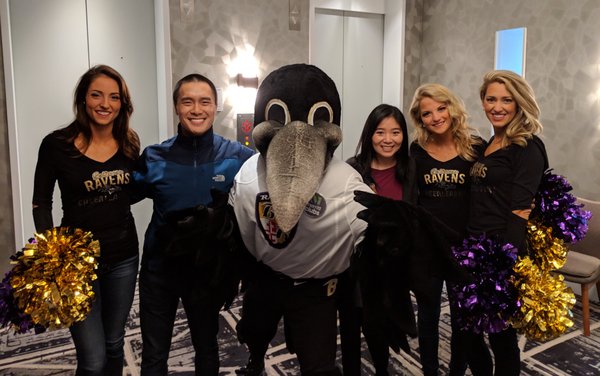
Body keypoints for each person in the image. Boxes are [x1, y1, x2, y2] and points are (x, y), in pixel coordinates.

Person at [134, 73, 254, 375]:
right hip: (159, 273)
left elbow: (268, 184)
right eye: (188, 102)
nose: (196, 110)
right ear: (177, 107)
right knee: (154, 356)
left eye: (205, 102)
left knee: (207, 349)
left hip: (206, 275)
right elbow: (120, 198)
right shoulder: (153, 157)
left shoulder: (237, 157)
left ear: (216, 107)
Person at [32, 64, 140, 375]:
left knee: (114, 344)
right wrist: (52, 257)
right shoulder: (56, 144)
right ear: (83, 98)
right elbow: (42, 203)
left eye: (114, 97)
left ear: (122, 104)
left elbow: (130, 192)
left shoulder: (130, 142)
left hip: (123, 258)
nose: (105, 104)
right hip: (77, 264)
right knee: (92, 360)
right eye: (96, 95)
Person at [464, 70, 549, 375]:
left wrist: (507, 264)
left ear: (519, 103)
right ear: (483, 102)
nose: (497, 106)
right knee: (470, 331)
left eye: (506, 99)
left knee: (501, 336)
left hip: (501, 252)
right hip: (474, 248)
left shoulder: (527, 146)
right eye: (491, 99)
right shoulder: (490, 143)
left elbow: (520, 210)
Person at [408, 83, 487, 376]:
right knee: (427, 316)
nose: (436, 117)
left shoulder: (476, 147)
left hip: (465, 248)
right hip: (428, 247)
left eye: (441, 108)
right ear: (420, 119)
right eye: (427, 113)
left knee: (461, 318)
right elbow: (411, 197)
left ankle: (456, 369)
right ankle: (429, 370)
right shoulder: (416, 150)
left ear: (452, 107)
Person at [343, 103, 415, 375]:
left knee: (381, 325)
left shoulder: (410, 170)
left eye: (395, 132)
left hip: (393, 265)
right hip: (357, 262)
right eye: (380, 132)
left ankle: (382, 369)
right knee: (352, 322)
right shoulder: (353, 168)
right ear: (369, 134)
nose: (388, 140)